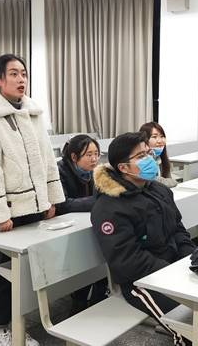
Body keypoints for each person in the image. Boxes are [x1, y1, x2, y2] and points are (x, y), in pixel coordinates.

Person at [0, 54, 65, 346]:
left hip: (34, 206)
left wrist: (51, 199)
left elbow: (47, 159)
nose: (21, 79)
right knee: (3, 273)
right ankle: (0, 330)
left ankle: (21, 322)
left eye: (23, 73)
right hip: (7, 212)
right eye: (13, 74)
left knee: (28, 270)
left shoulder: (32, 112)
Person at [91, 132, 195, 346]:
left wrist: (192, 257)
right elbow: (127, 261)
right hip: (140, 283)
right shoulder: (109, 207)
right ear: (123, 168)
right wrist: (173, 273)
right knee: (191, 325)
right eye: (141, 156)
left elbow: (177, 228)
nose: (150, 159)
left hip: (173, 267)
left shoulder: (158, 190)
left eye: (148, 153)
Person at [55, 134, 107, 314]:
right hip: (65, 228)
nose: (94, 159)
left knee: (102, 252)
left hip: (86, 223)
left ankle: (99, 297)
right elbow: (63, 205)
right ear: (74, 157)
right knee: (86, 256)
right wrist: (97, 202)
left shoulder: (96, 171)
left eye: (96, 154)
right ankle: (79, 301)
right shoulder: (59, 171)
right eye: (89, 155)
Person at [139, 122, 177, 188]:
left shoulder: (160, 159)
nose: (160, 141)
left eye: (162, 136)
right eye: (154, 137)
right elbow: (154, 182)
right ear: (144, 139)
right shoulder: (141, 160)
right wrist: (170, 182)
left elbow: (169, 181)